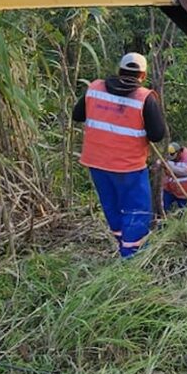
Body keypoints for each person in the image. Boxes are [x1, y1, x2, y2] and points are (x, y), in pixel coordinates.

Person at [72, 52, 165, 257]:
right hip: (128, 166)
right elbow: (157, 135)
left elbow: (77, 114)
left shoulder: (95, 88)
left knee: (111, 205)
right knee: (136, 210)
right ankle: (131, 257)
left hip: (97, 163)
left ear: (119, 70)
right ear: (143, 75)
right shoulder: (144, 98)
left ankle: (123, 243)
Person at [160, 141, 187, 212]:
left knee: (186, 212)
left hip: (185, 191)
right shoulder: (167, 156)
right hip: (170, 189)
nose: (172, 158)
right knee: (164, 208)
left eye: (173, 155)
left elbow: (186, 171)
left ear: (179, 152)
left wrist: (169, 166)